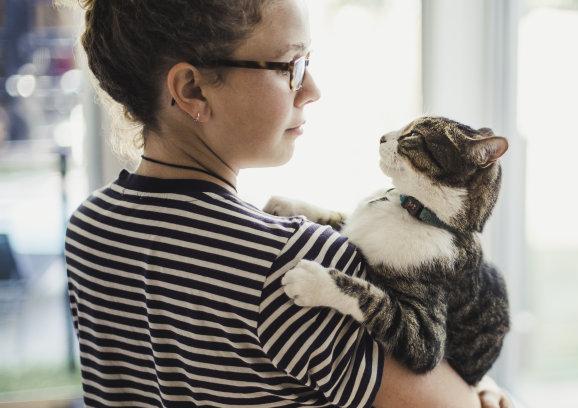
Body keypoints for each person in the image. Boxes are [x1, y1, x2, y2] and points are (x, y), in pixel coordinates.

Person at [61, 0, 510, 406]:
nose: (311, 87)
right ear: (192, 89)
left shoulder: (89, 229)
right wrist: (478, 391)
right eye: (289, 66)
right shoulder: (294, 262)